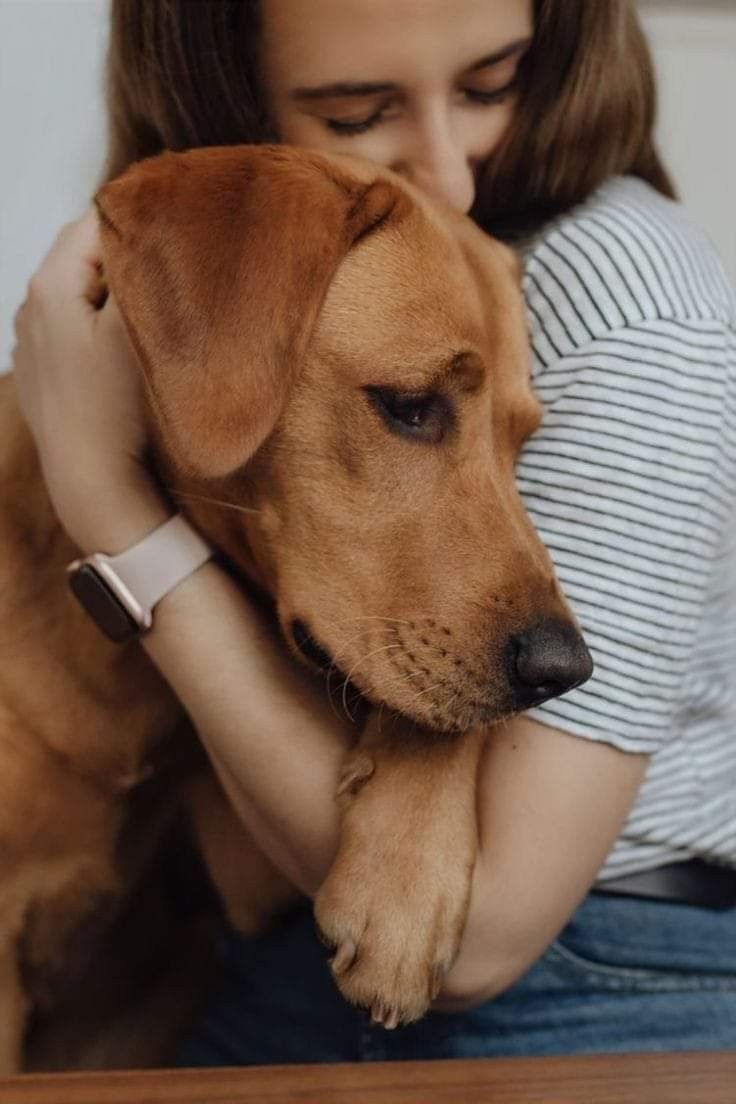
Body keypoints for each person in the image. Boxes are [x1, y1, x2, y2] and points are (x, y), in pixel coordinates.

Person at [12, 0, 736, 1065]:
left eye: (490, 83)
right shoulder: (250, 263)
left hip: (591, 975)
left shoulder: (598, 286)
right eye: (355, 111)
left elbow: (477, 939)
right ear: (226, 95)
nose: (446, 178)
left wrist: (108, 501)